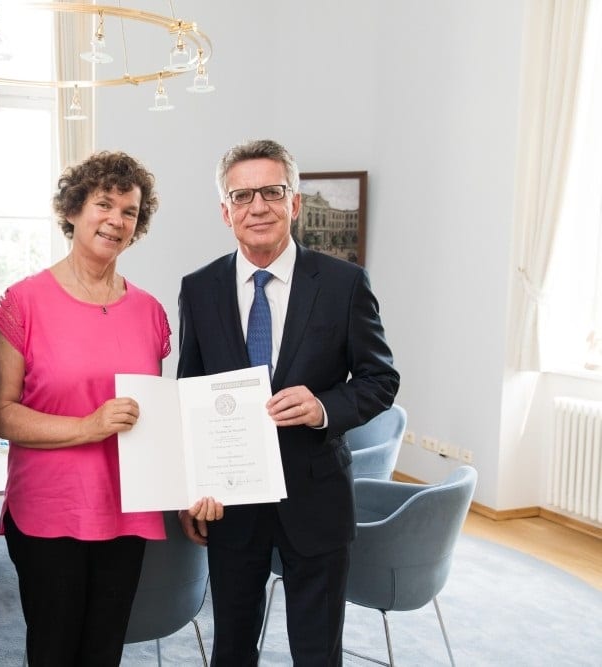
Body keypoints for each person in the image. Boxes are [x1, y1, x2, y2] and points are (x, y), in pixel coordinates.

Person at [177, 139, 400, 666]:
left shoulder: (344, 284)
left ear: (294, 203)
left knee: (317, 650)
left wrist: (324, 407)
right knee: (230, 644)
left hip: (316, 495)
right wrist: (193, 486)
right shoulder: (199, 288)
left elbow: (379, 379)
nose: (258, 206)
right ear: (225, 209)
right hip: (231, 502)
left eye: (273, 192)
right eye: (242, 194)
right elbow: (191, 392)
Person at [0, 151, 213, 666]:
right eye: (103, 204)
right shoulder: (23, 303)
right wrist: (86, 426)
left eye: (129, 212)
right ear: (72, 210)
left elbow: (154, 419)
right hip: (50, 510)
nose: (116, 220)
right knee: (54, 649)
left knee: (105, 649)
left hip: (127, 508)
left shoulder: (150, 312)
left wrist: (183, 485)